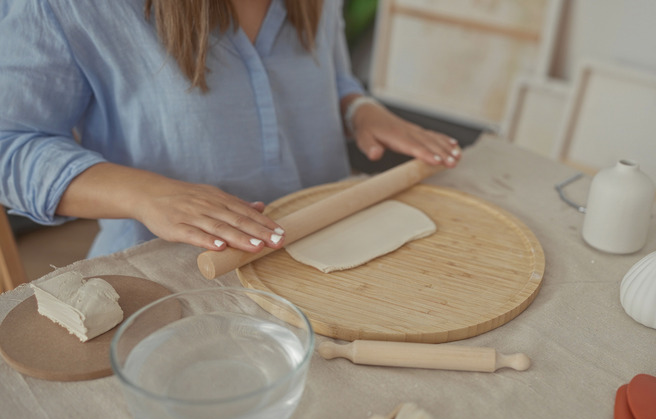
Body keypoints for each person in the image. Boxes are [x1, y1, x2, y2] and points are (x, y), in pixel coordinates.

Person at [0, 0, 460, 258]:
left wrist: (357, 107)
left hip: (332, 245)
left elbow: (327, 72)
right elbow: (10, 146)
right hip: (178, 277)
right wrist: (146, 194)